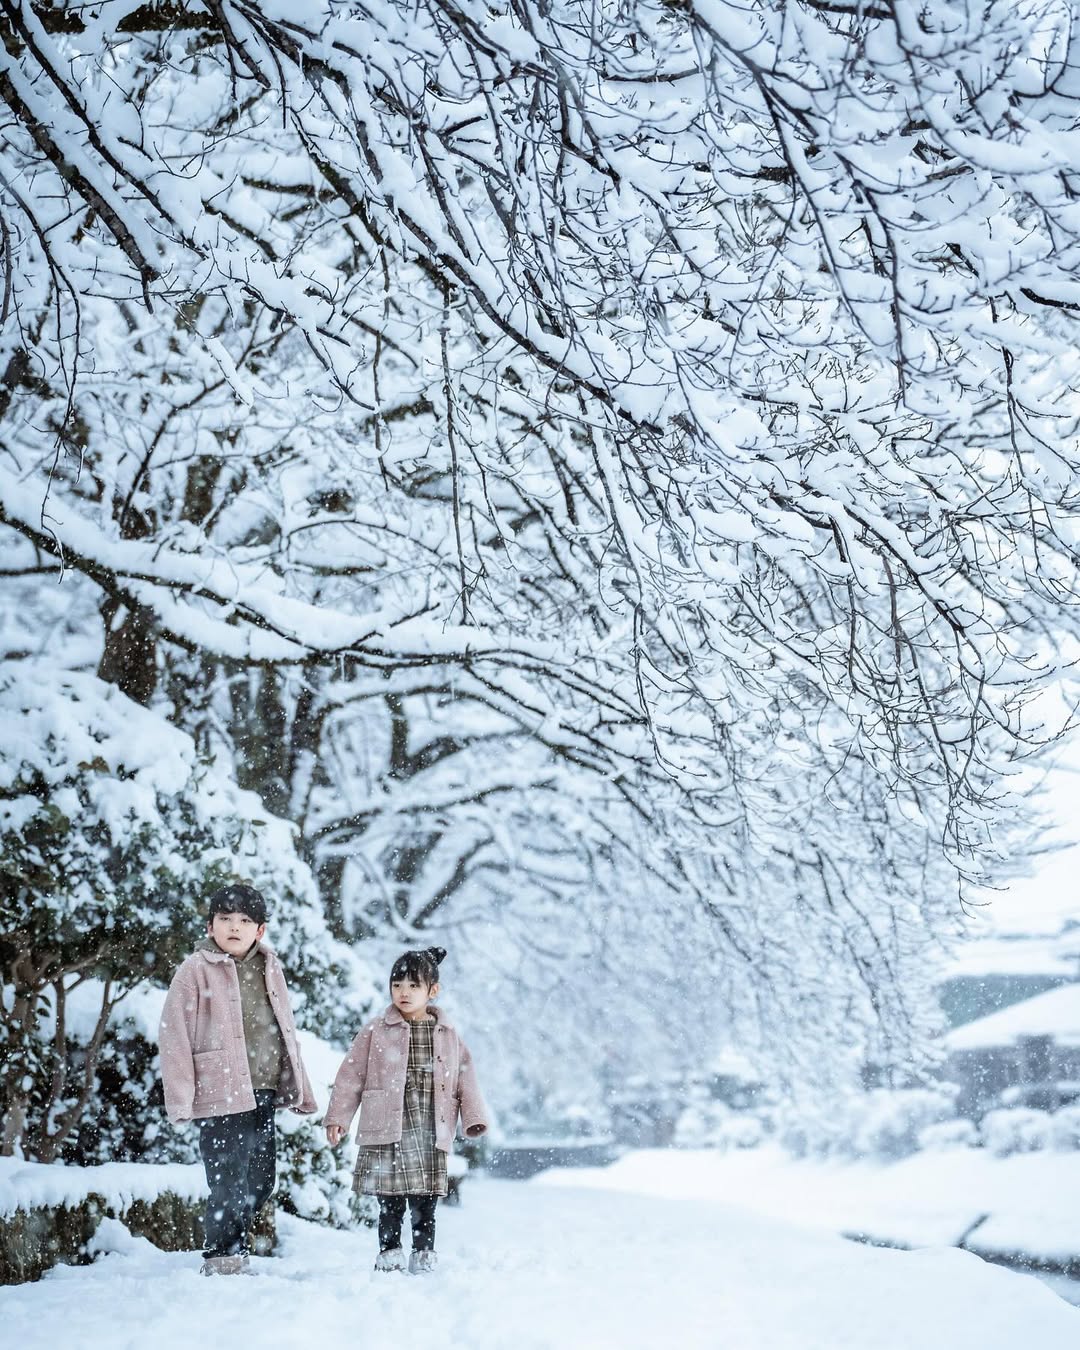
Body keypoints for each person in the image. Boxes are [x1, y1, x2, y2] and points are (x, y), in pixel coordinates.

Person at [158, 882, 318, 1275]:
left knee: (261, 1180)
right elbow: (173, 1033)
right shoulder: (195, 970)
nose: (234, 927)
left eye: (245, 921)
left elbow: (286, 1028)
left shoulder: (270, 965)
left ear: (259, 930)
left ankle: (236, 1244)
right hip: (220, 1090)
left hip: (262, 1086)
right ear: (210, 926)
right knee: (227, 1177)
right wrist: (180, 1098)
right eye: (225, 919)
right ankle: (222, 1255)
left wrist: (299, 1083)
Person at [324, 945, 487, 1274]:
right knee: (390, 1198)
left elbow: (464, 1075)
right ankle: (390, 1251)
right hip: (388, 1126)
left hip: (429, 1126)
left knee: (426, 1200)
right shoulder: (377, 1029)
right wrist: (339, 1117)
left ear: (433, 991)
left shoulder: (447, 1033)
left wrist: (473, 1118)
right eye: (397, 985)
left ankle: (424, 1252)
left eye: (414, 985)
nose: (404, 992)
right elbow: (352, 1073)